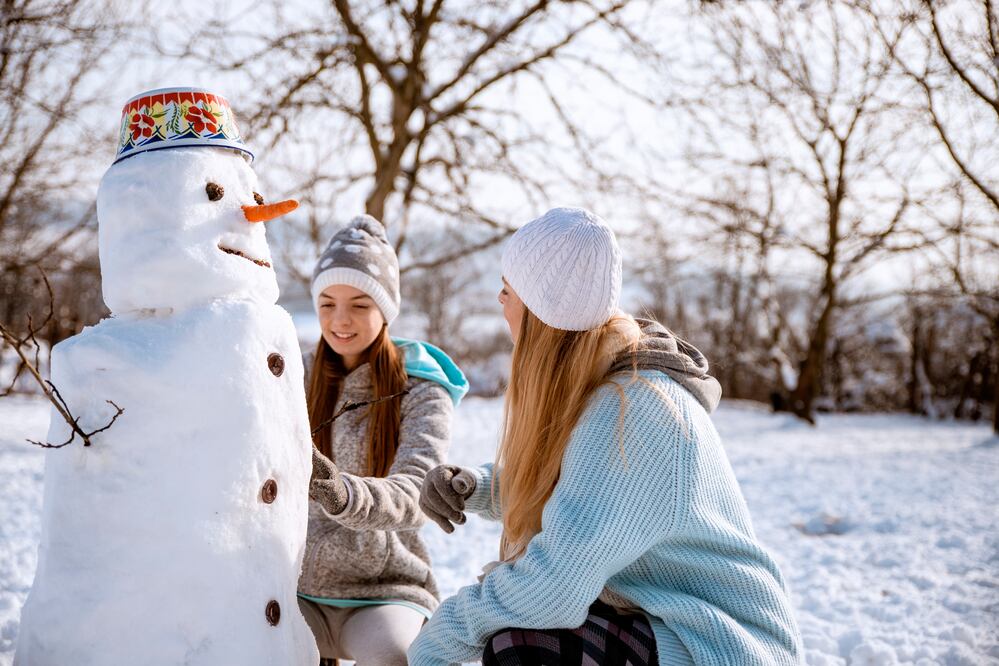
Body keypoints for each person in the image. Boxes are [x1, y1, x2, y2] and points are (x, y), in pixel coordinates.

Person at [411, 207, 803, 665]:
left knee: (522, 647)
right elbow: (580, 489)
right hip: (664, 621)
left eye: (507, 290)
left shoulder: (633, 410)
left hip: (717, 644)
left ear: (540, 312)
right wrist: (478, 486)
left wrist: (435, 643)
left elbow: (554, 584)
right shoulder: (603, 383)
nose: (500, 303)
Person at [299, 215, 468, 666]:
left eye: (358, 304)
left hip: (385, 589)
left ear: (386, 309)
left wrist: (343, 492)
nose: (340, 320)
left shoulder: (422, 390)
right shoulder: (296, 377)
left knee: (396, 657)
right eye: (327, 303)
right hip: (297, 588)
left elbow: (418, 491)